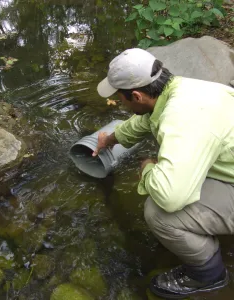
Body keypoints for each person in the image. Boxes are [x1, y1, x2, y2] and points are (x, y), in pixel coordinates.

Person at [93, 48, 234, 299]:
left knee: (159, 213)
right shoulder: (178, 89)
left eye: (120, 98)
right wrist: (111, 140)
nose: (120, 103)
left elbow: (170, 197)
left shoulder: (182, 118)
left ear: (135, 95)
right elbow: (146, 121)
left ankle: (209, 276)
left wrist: (148, 167)